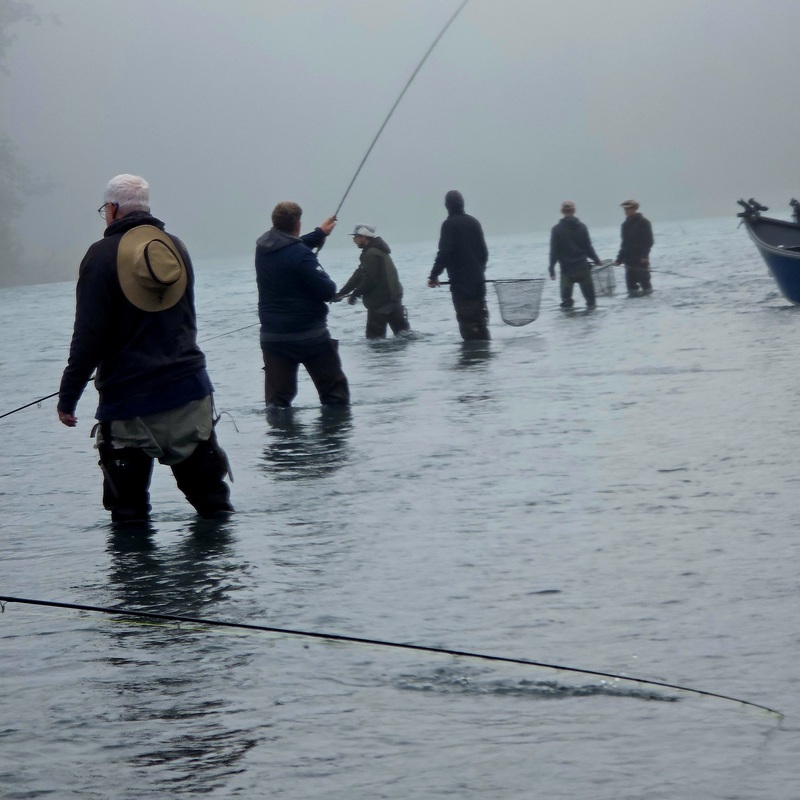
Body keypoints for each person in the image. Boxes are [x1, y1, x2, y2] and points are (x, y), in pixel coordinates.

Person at [57, 174, 234, 525]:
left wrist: (68, 396)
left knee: (128, 515)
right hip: (190, 393)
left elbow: (88, 336)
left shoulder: (100, 256)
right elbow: (188, 318)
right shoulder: (175, 246)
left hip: (129, 404)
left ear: (112, 209)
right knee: (213, 505)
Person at [255, 201, 350, 408]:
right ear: (298, 224)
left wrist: (320, 233)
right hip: (310, 337)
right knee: (335, 395)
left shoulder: (262, 249)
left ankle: (281, 439)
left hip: (273, 339)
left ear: (274, 223)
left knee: (277, 403)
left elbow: (289, 248)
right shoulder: (301, 255)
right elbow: (328, 291)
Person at [427, 190, 490, 340]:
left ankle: (473, 361)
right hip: (479, 284)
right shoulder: (473, 222)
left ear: (447, 206)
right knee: (481, 324)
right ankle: (484, 361)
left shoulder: (449, 225)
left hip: (461, 287)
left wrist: (434, 275)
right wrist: (479, 272)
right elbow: (484, 253)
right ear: (462, 204)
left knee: (469, 327)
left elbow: (444, 254)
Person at [334, 224, 410, 338]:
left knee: (374, 344)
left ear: (364, 237)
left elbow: (370, 280)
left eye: (356, 236)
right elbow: (359, 275)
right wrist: (341, 293)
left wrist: (355, 294)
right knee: (405, 338)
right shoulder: (377, 251)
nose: (353, 239)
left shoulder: (370, 254)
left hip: (380, 307)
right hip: (395, 303)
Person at [548, 200, 602, 309]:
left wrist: (552, 269)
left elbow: (554, 251)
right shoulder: (582, 227)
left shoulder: (556, 230)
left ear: (562, 212)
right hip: (583, 269)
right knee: (591, 303)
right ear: (574, 211)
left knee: (567, 305)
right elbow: (588, 247)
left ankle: (569, 324)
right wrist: (597, 260)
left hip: (567, 271)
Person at [614, 199, 654, 295]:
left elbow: (649, 241)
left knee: (646, 287)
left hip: (641, 261)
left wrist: (644, 256)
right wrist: (619, 259)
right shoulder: (624, 225)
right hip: (629, 261)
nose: (626, 211)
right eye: (625, 209)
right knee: (631, 290)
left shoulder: (644, 222)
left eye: (628, 209)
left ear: (634, 209)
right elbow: (624, 244)